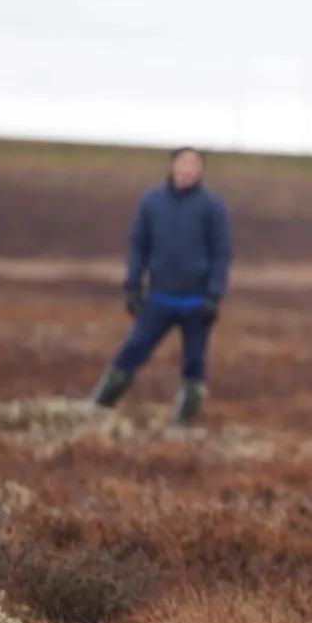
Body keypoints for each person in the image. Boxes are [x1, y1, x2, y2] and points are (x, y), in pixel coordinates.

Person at [89, 146, 233, 425]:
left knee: (194, 364)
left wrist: (214, 295)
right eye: (183, 163)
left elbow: (222, 253)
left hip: (196, 303)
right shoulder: (152, 202)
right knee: (131, 351)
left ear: (201, 170)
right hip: (159, 298)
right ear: (172, 166)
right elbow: (138, 246)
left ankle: (184, 424)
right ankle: (97, 408)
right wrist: (132, 286)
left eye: (194, 164)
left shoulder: (212, 207)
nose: (188, 169)